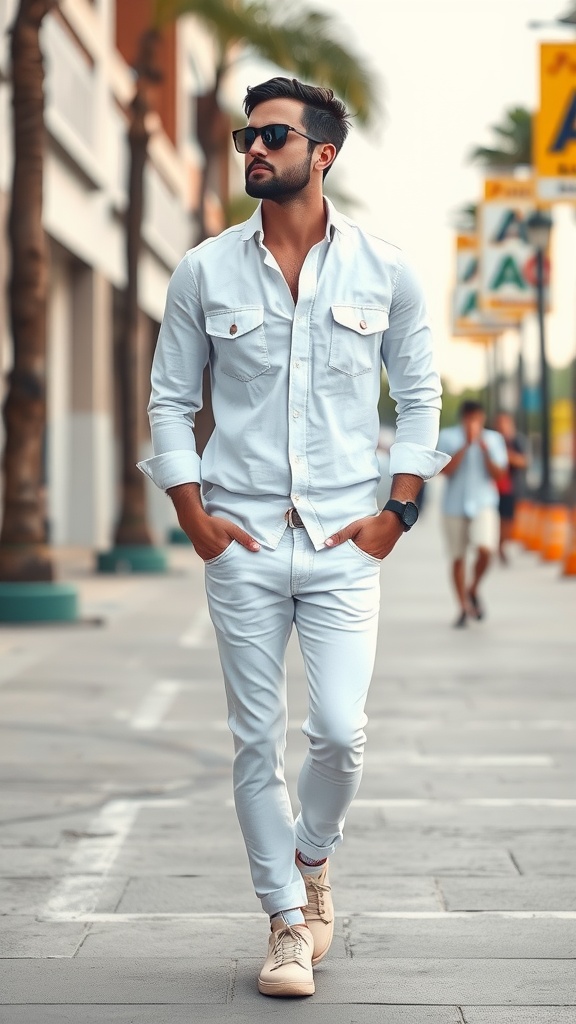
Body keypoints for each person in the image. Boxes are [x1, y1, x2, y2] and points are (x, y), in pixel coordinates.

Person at [138, 76, 449, 997]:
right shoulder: (203, 270)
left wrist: (398, 513)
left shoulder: (386, 270)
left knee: (341, 735)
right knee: (253, 739)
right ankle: (283, 919)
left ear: (324, 153)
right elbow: (169, 401)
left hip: (346, 540)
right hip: (242, 537)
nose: (253, 151)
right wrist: (192, 514)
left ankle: (313, 861)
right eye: (245, 137)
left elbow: (421, 397)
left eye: (272, 135)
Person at [437, 400, 508, 628]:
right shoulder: (448, 437)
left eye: (478, 419)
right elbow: (444, 471)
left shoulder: (494, 440)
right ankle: (463, 607)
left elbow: (499, 475)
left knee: (486, 549)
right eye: (471, 419)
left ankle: (473, 587)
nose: (474, 424)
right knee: (457, 556)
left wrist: (485, 451)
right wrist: (466, 445)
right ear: (463, 418)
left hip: (483, 504)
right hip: (454, 506)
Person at [494, 411, 528, 564]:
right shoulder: (491, 440)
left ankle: (502, 545)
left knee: (508, 520)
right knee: (495, 519)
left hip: (510, 487)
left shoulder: (517, 441)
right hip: (493, 487)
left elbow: (524, 461)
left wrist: (509, 456)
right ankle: (496, 546)